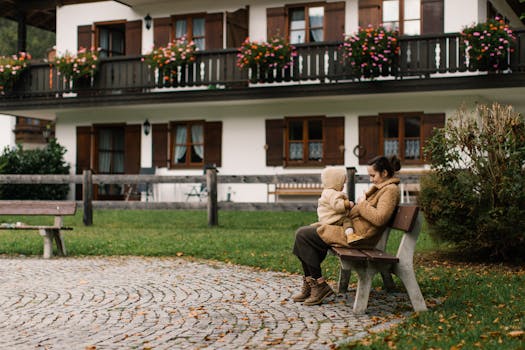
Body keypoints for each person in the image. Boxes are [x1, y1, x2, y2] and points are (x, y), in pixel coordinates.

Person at [292, 155, 401, 306]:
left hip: (359, 236)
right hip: (352, 230)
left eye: (373, 175)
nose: (371, 179)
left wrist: (362, 204)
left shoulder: (390, 190)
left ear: (384, 173)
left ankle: (318, 285)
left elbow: (380, 218)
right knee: (303, 234)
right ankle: (313, 283)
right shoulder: (382, 188)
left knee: (303, 235)